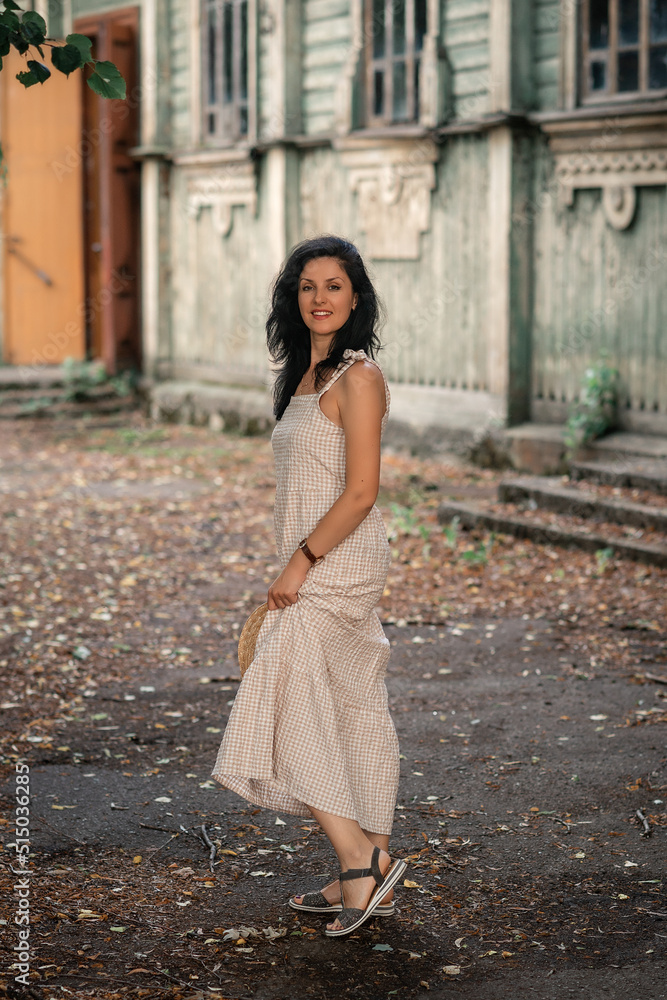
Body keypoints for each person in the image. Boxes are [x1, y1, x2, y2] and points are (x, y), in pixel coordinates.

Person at [211, 234, 406, 937]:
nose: (319, 297)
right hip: (316, 556)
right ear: (294, 300)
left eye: (334, 285)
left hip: (338, 561)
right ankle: (373, 856)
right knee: (350, 702)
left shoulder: (357, 377)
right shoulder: (304, 375)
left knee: (289, 697)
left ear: (356, 297)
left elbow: (360, 492)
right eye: (307, 286)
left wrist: (297, 563)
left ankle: (359, 861)